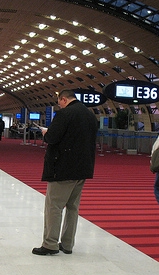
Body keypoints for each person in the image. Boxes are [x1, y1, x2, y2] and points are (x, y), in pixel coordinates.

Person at [32, 89, 98, 256]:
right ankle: (67, 244)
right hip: (83, 168)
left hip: (62, 168)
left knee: (54, 206)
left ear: (63, 99)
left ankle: (50, 243)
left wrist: (47, 133)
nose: (59, 105)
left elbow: (53, 138)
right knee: (72, 207)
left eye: (59, 102)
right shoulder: (90, 115)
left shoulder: (64, 114)